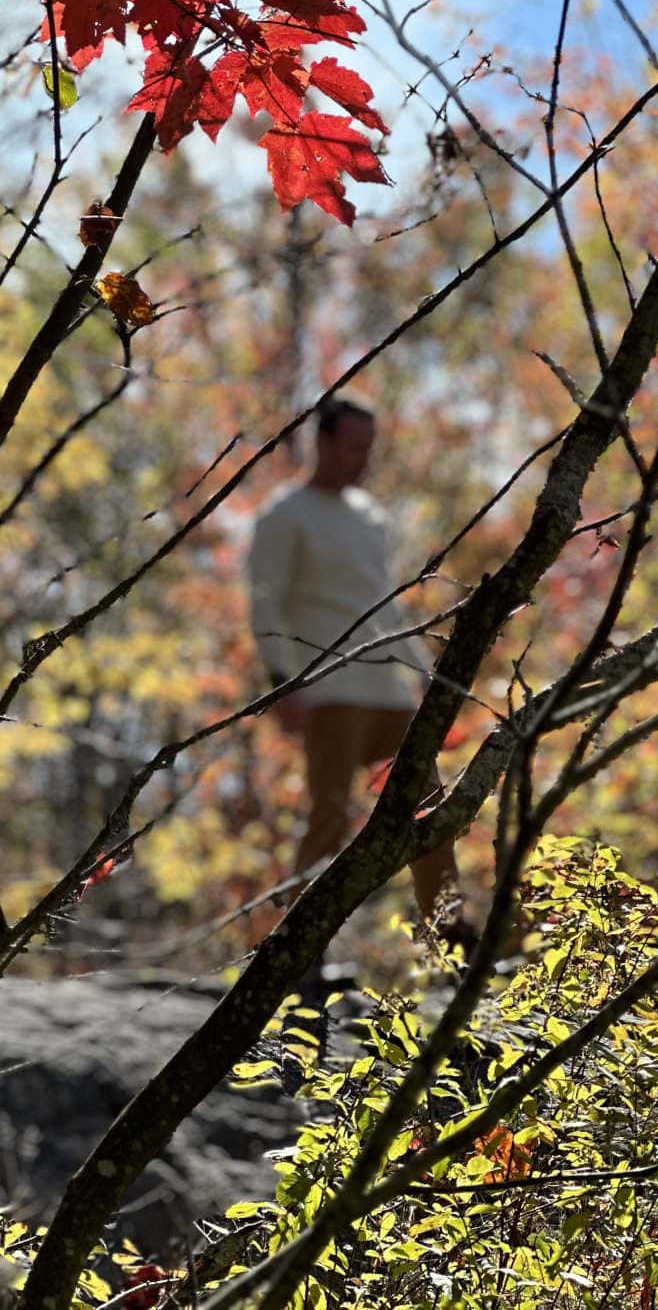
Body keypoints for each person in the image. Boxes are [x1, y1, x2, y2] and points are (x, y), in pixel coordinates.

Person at [247, 396, 470, 950]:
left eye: (369, 447)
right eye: (352, 446)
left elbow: (386, 605)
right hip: (328, 689)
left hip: (388, 688)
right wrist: (283, 681)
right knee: (329, 815)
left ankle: (447, 926)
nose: (362, 459)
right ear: (322, 443)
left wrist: (425, 676)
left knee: (426, 800)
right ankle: (300, 946)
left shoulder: (371, 516)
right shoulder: (285, 514)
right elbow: (265, 602)